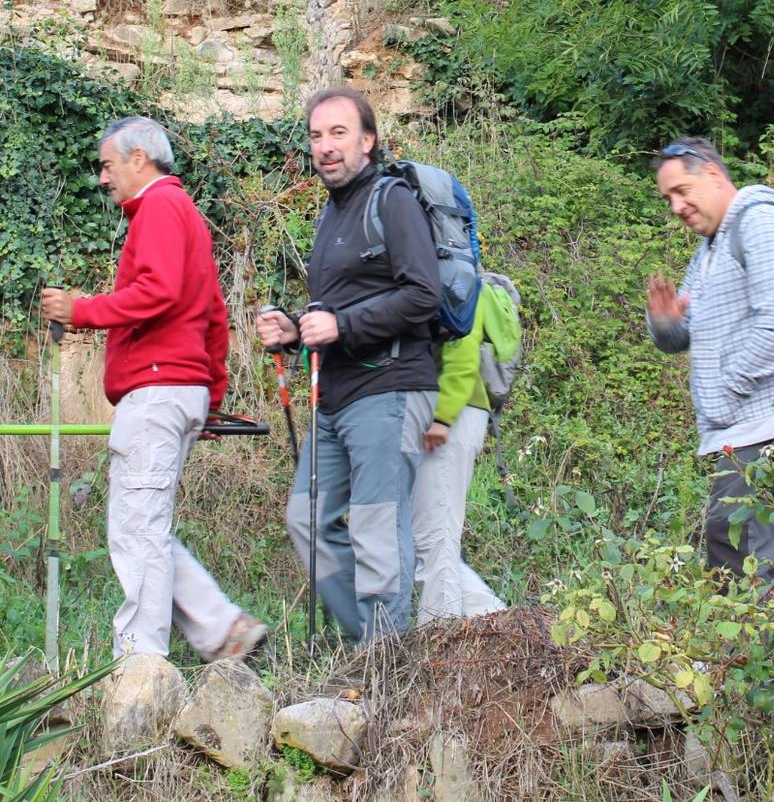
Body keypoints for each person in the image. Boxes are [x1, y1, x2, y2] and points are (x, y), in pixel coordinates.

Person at [40, 116, 267, 662]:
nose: (103, 178)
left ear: (138, 158)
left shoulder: (161, 208)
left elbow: (159, 292)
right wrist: (210, 398)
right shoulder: (184, 213)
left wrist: (83, 310)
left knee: (136, 531)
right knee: (144, 524)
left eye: (107, 165)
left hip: (158, 388)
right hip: (181, 389)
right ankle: (223, 628)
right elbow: (214, 315)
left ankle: (140, 664)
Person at [256, 87, 439, 643]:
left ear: (368, 139)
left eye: (338, 133)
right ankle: (371, 645)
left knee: (377, 525)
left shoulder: (394, 201)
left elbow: (423, 294)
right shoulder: (330, 217)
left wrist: (343, 325)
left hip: (390, 387)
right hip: (334, 395)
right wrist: (294, 331)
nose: (325, 147)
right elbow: (331, 313)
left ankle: (387, 666)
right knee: (307, 521)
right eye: (316, 136)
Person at [645, 137, 774, 588]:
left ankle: (730, 656)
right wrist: (665, 322)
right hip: (749, 418)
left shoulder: (761, 221)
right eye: (669, 198)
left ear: (713, 174)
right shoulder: (709, 249)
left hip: (767, 416)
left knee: (733, 539)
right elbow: (682, 336)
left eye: (682, 191)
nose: (676, 206)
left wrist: (728, 391)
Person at [411, 289, 518, 623]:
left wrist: (443, 416)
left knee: (436, 531)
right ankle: (486, 614)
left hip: (450, 417)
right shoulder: (457, 279)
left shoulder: (460, 285)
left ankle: (439, 634)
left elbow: (463, 356)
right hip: (446, 414)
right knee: (423, 532)